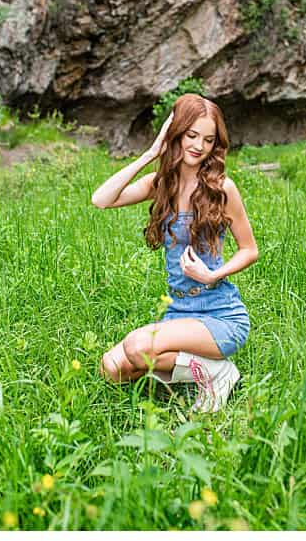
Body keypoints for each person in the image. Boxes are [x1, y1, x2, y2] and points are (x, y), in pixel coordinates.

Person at [91, 94, 257, 412]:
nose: (198, 146)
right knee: (111, 367)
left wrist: (213, 274)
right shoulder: (161, 184)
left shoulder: (222, 189)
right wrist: (151, 153)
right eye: (191, 135)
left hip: (219, 315)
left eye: (208, 140)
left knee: (137, 346)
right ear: (176, 133)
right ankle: (200, 372)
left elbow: (249, 250)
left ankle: (217, 373)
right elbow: (101, 199)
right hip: (179, 312)